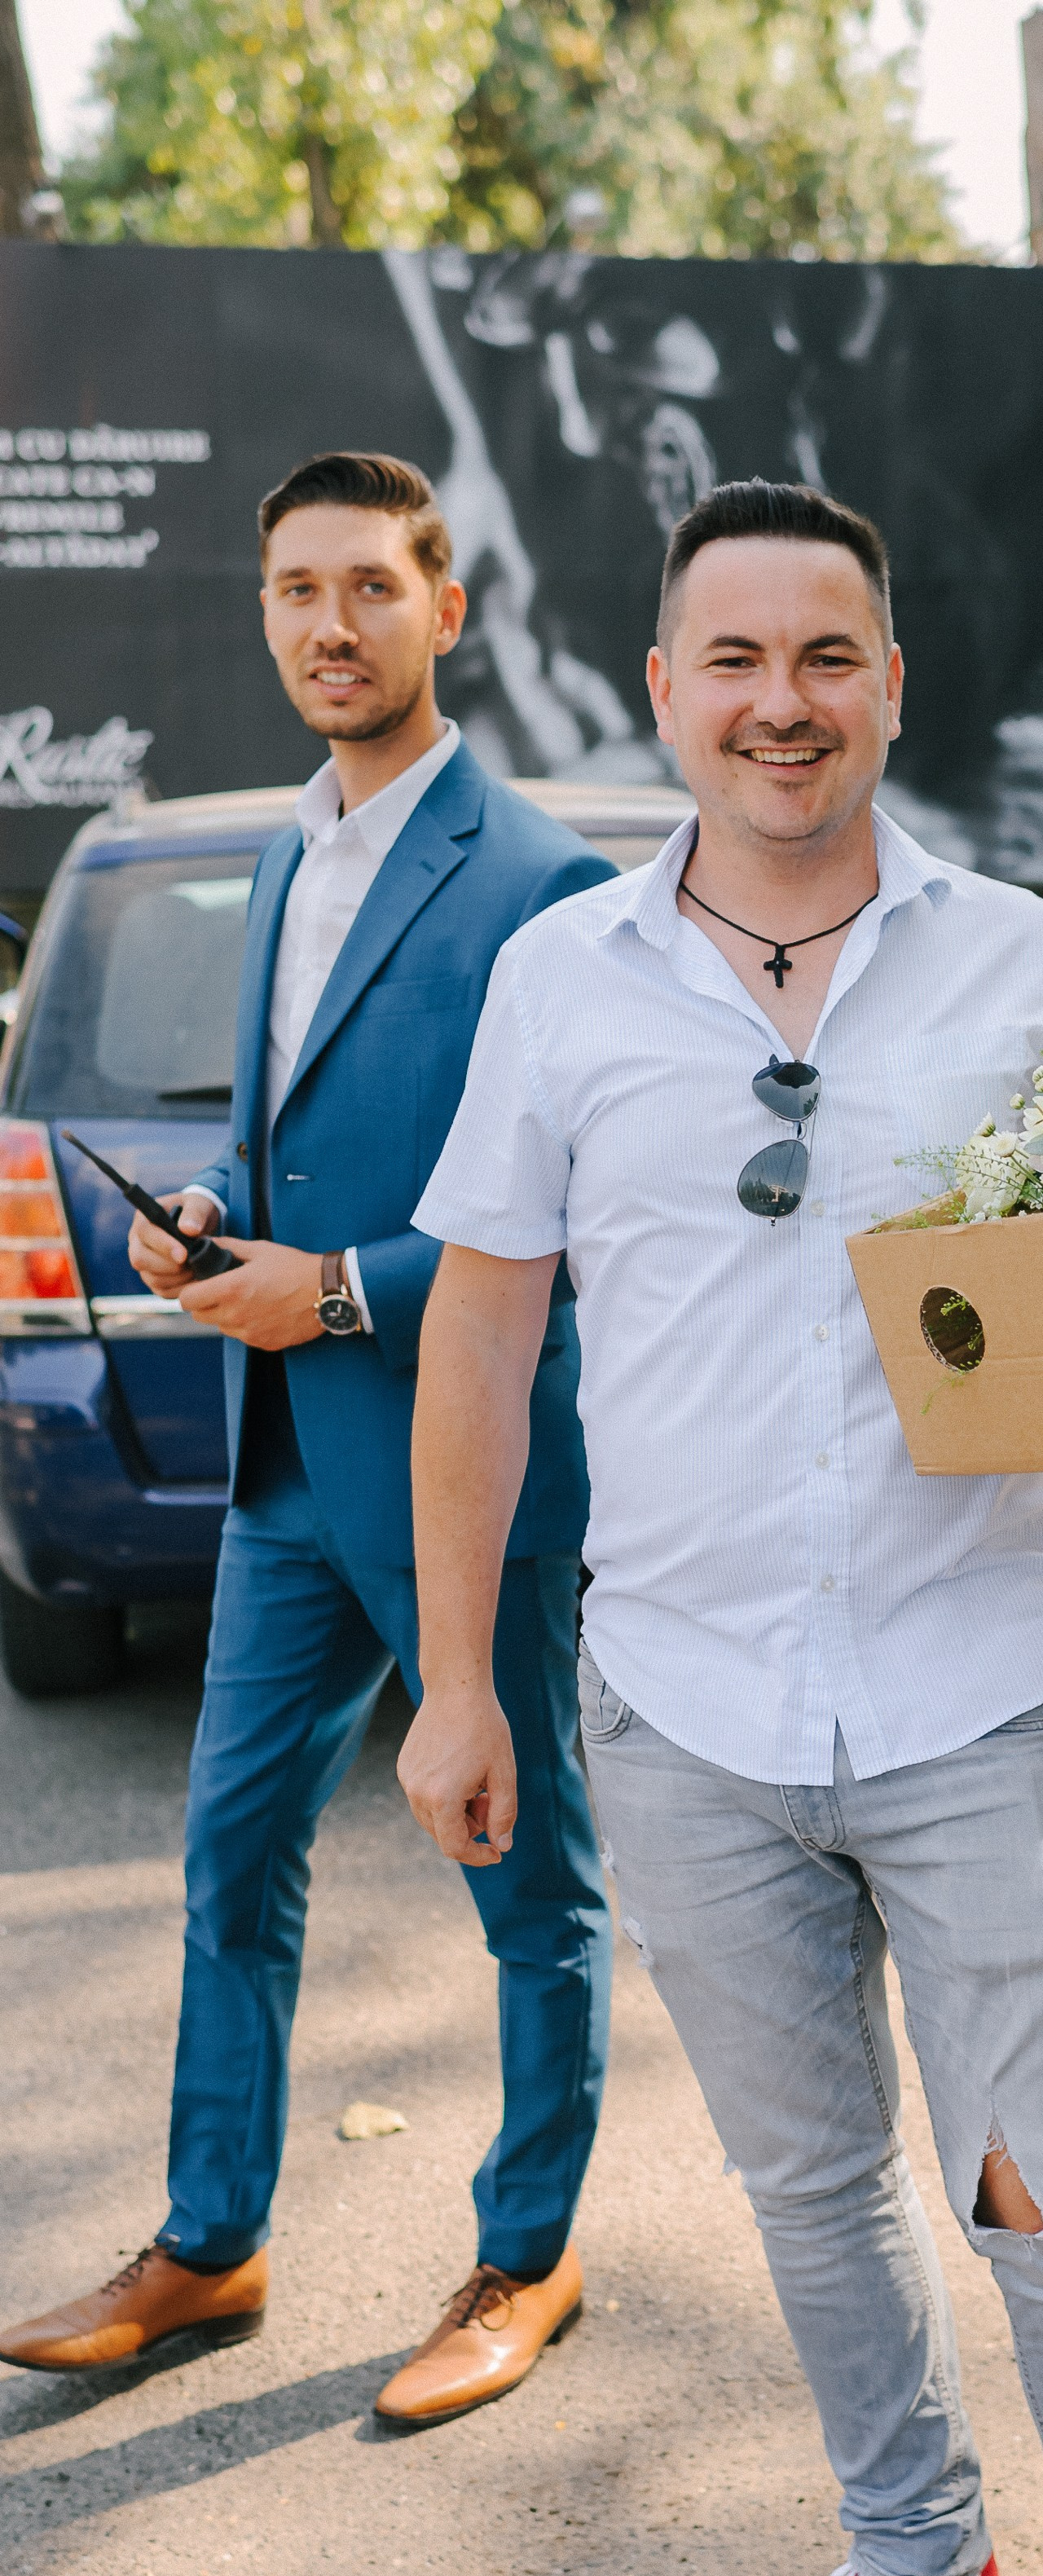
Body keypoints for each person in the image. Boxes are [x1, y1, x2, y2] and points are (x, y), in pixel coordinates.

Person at [397, 478, 1043, 2576]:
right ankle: (919, 2553)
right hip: (681, 1710)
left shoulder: (1015, 959)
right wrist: (453, 1681)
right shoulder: (561, 977)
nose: (783, 702)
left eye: (828, 655)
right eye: (736, 658)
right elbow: (481, 1336)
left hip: (986, 1686)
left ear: (891, 684)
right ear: (664, 691)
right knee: (811, 2187)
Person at [0, 452, 615, 2430]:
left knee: (530, 1882)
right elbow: (301, 1134)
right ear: (263, 610)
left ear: (446, 606)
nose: (329, 625)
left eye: (367, 586)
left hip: (469, 1470)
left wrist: (333, 1288)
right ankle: (212, 2238)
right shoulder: (286, 847)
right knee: (231, 1853)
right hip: (280, 1472)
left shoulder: (546, 886)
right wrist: (218, 1225)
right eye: (294, 591)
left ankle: (530, 2251)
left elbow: (575, 1220)